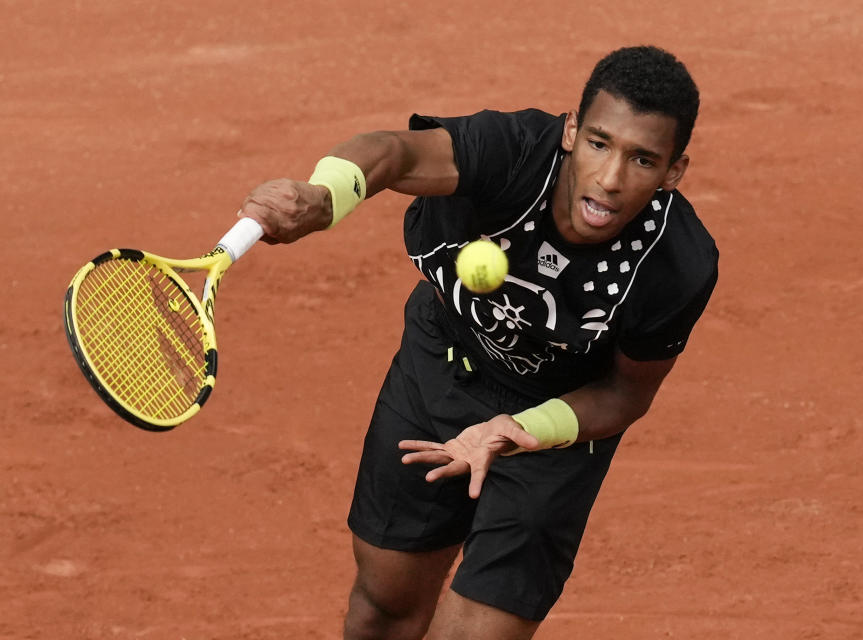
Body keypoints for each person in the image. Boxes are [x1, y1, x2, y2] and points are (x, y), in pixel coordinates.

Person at [240, 45, 718, 640]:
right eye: (599, 143)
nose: (611, 178)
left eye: (643, 159)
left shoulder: (675, 265)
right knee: (384, 605)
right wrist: (325, 196)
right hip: (440, 365)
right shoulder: (512, 152)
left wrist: (517, 432)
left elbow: (624, 394)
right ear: (571, 130)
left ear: (674, 171)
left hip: (556, 416)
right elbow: (393, 151)